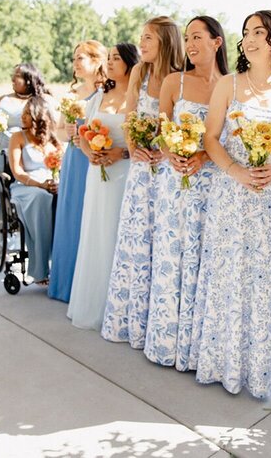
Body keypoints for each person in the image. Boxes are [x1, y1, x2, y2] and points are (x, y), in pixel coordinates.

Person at [193, 10, 271, 398]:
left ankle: (258, 372)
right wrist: (235, 171)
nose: (250, 39)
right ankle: (219, 364)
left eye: (259, 31)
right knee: (227, 277)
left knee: (264, 281)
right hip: (231, 192)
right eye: (246, 33)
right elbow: (211, 138)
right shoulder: (229, 84)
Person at [143, 16, 228, 370]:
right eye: (188, 38)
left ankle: (200, 350)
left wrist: (204, 154)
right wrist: (173, 152)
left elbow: (228, 139)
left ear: (217, 43)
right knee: (172, 256)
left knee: (205, 261)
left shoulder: (231, 86)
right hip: (174, 183)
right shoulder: (173, 82)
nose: (190, 45)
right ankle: (166, 344)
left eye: (198, 37)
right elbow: (162, 130)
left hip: (214, 185)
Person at [101, 17, 184, 346]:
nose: (142, 43)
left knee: (163, 241)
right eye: (141, 37)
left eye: (148, 38)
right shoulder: (140, 72)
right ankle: (132, 322)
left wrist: (165, 152)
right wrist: (136, 150)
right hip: (141, 169)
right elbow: (130, 117)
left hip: (169, 168)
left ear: (164, 40)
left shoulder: (180, 73)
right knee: (137, 240)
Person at [67, 43, 139, 329]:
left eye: (116, 58)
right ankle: (93, 304)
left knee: (118, 233)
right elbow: (84, 132)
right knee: (96, 232)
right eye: (108, 57)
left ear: (130, 64)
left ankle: (120, 310)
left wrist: (119, 153)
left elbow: (143, 141)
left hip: (126, 172)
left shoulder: (139, 97)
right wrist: (90, 152)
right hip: (98, 174)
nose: (109, 62)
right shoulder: (100, 95)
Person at [48, 41, 108, 302]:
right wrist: (69, 133)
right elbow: (59, 131)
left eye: (80, 58)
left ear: (97, 60)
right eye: (74, 58)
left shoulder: (107, 91)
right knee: (72, 213)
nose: (75, 63)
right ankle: (67, 283)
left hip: (96, 157)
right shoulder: (71, 95)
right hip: (74, 159)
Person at [0, 63, 50, 258]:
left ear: (28, 79)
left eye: (17, 76)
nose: (12, 79)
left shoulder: (40, 100)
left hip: (30, 157)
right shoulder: (3, 99)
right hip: (1, 151)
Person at [7, 96, 61, 285]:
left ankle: (62, 265)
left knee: (62, 198)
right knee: (41, 198)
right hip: (26, 187)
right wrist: (39, 185)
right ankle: (40, 269)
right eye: (23, 112)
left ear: (40, 116)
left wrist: (57, 183)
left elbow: (62, 167)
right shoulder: (17, 138)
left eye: (28, 113)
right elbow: (17, 172)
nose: (23, 117)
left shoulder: (54, 140)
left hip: (51, 183)